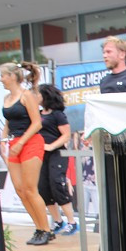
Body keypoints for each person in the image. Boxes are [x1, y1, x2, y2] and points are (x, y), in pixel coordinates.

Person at [0, 61, 54, 246]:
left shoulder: (27, 95)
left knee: (31, 189)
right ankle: (38, 227)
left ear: (12, 76)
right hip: (14, 143)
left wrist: (21, 142)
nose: (1, 79)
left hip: (30, 141)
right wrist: (3, 140)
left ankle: (46, 229)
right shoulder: (7, 98)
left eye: (3, 75)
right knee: (20, 190)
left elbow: (37, 123)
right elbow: (8, 122)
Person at [36, 84, 78, 236]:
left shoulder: (57, 114)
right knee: (43, 188)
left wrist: (50, 146)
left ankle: (72, 222)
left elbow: (66, 135)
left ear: (45, 96)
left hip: (57, 154)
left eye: (38, 94)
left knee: (57, 184)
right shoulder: (38, 114)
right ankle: (57, 221)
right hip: (41, 155)